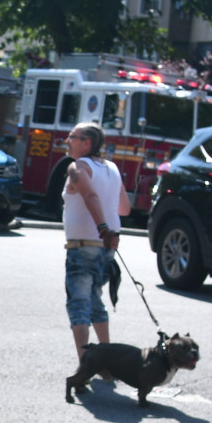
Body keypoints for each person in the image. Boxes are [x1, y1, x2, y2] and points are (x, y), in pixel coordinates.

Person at [63, 121, 130, 362]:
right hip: (107, 247)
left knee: (79, 304)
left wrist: (102, 227)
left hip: (84, 245)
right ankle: (107, 361)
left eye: (72, 137)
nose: (67, 141)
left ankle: (87, 364)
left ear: (87, 143)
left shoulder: (78, 167)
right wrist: (108, 226)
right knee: (95, 302)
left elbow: (90, 195)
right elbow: (124, 208)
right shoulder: (111, 167)